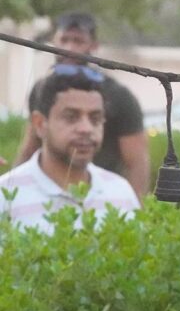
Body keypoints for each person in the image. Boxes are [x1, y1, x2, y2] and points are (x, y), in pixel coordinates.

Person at [13, 12, 150, 199]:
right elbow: (30, 145)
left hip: (101, 197)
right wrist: (12, 191)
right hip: (47, 194)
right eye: (64, 39)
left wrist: (133, 213)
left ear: (93, 45)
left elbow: (137, 162)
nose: (69, 48)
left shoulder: (119, 96)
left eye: (78, 41)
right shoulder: (41, 89)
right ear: (54, 41)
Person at [0, 70, 141, 232]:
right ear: (39, 124)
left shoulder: (119, 191)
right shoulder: (6, 195)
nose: (86, 129)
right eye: (71, 117)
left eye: (95, 119)